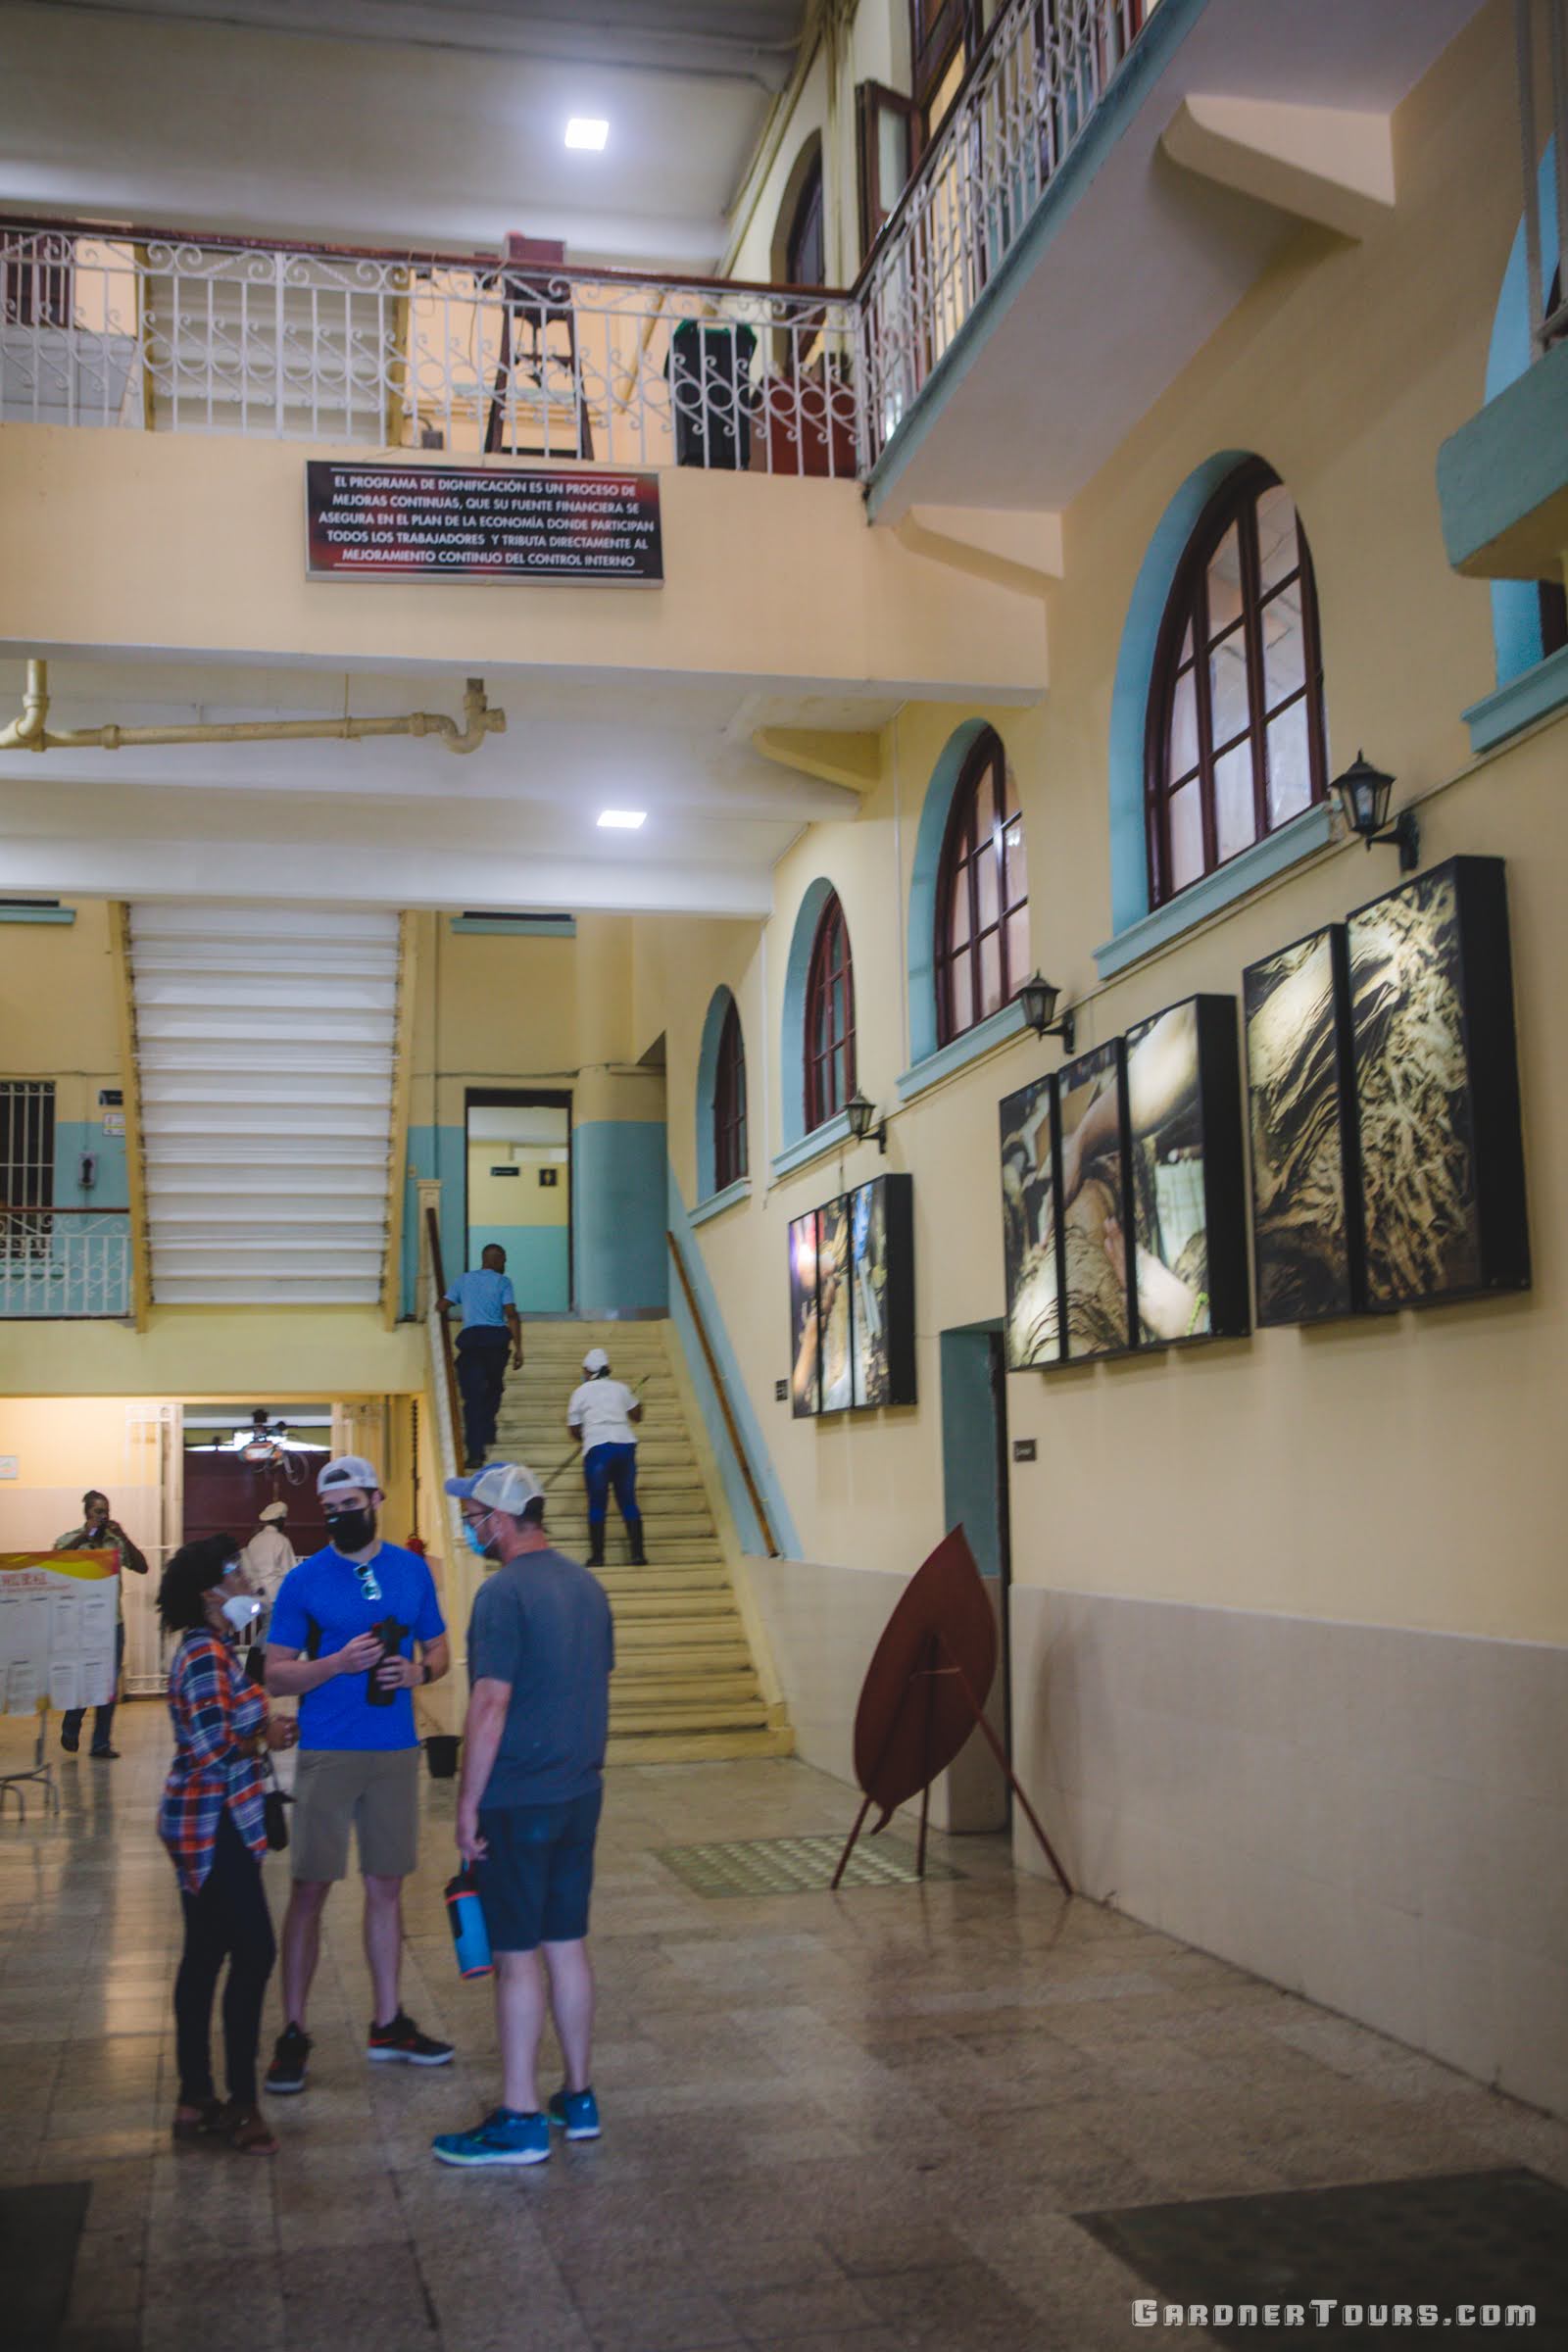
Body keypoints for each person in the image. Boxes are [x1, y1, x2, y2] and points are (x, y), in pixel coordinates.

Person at [431, 1463, 613, 2169]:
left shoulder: (502, 1595)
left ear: (502, 1523)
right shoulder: (586, 1587)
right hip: (578, 1793)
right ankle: (580, 2097)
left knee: (515, 1958)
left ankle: (520, 2117)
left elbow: (491, 1704)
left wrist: (467, 1803)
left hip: (517, 1799)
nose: (471, 1530)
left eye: (475, 1519)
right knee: (565, 1942)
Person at [262, 1454, 454, 2094]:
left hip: (396, 1751)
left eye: (352, 1505)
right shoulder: (305, 1582)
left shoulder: (410, 1570)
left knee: (386, 1887)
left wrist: (420, 1674)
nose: (342, 1517)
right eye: (332, 1510)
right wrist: (336, 1664)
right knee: (311, 1889)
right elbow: (276, 1672)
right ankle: (292, 2030)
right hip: (327, 1751)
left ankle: (388, 2021)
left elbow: (441, 1649)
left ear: (375, 1498)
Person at [158, 1534, 299, 2155]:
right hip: (212, 1827)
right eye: (237, 1575)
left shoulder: (211, 1650)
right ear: (211, 1593)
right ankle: (241, 2104)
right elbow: (215, 1750)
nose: (248, 1583)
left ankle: (195, 2098)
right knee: (255, 1953)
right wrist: (265, 1734)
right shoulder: (204, 1657)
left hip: (209, 1823)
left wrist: (263, 1730)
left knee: (206, 1956)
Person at [56, 1489, 149, 1759]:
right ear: (87, 1514)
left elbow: (142, 1567)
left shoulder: (114, 1542)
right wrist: (84, 1538)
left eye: (106, 1510)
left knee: (108, 1683)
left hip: (112, 1623)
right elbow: (55, 1564)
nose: (104, 1515)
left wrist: (124, 1536)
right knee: (83, 1680)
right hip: (81, 1624)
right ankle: (71, 1725)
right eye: (98, 1511)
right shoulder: (70, 1540)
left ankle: (100, 1743)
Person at [441, 1244, 523, 1470]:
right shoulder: (503, 1282)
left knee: (473, 1400)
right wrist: (519, 1348)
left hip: (471, 1343)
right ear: (495, 1260)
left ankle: (475, 1452)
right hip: (496, 1341)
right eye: (503, 1260)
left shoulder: (464, 1280)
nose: (504, 1265)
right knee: (494, 1388)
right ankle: (488, 1428)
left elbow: (443, 1304)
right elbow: (512, 1314)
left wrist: (442, 1307)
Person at [566, 1347, 644, 1569]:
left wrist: (587, 1436)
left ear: (588, 1371)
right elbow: (637, 1416)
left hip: (598, 1449)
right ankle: (638, 1555)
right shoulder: (621, 1388)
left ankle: (597, 1557)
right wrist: (637, 1398)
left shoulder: (580, 1392)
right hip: (625, 1445)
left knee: (597, 1503)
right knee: (628, 1501)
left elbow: (573, 1430)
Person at [241, 1500, 297, 1635]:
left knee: (266, 1627)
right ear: (279, 1521)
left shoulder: (255, 1540)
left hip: (257, 1592)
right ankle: (258, 1655)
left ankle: (256, 1654)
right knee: (272, 1630)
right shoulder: (281, 1540)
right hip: (275, 1594)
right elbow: (290, 1570)